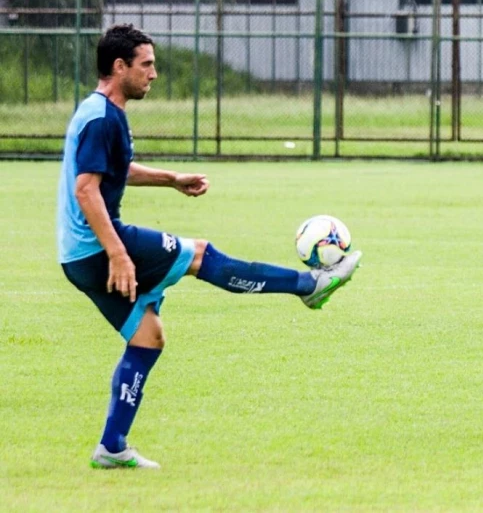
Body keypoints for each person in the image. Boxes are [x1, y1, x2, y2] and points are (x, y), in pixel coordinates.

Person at [57, 24, 362, 469]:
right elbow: (87, 190)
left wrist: (170, 179)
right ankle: (309, 284)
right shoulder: (104, 118)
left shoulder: (96, 110)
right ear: (119, 67)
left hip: (77, 256)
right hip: (100, 247)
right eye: (146, 65)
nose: (154, 74)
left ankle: (112, 446)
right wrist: (119, 254)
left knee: (148, 338)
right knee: (200, 255)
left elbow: (113, 171)